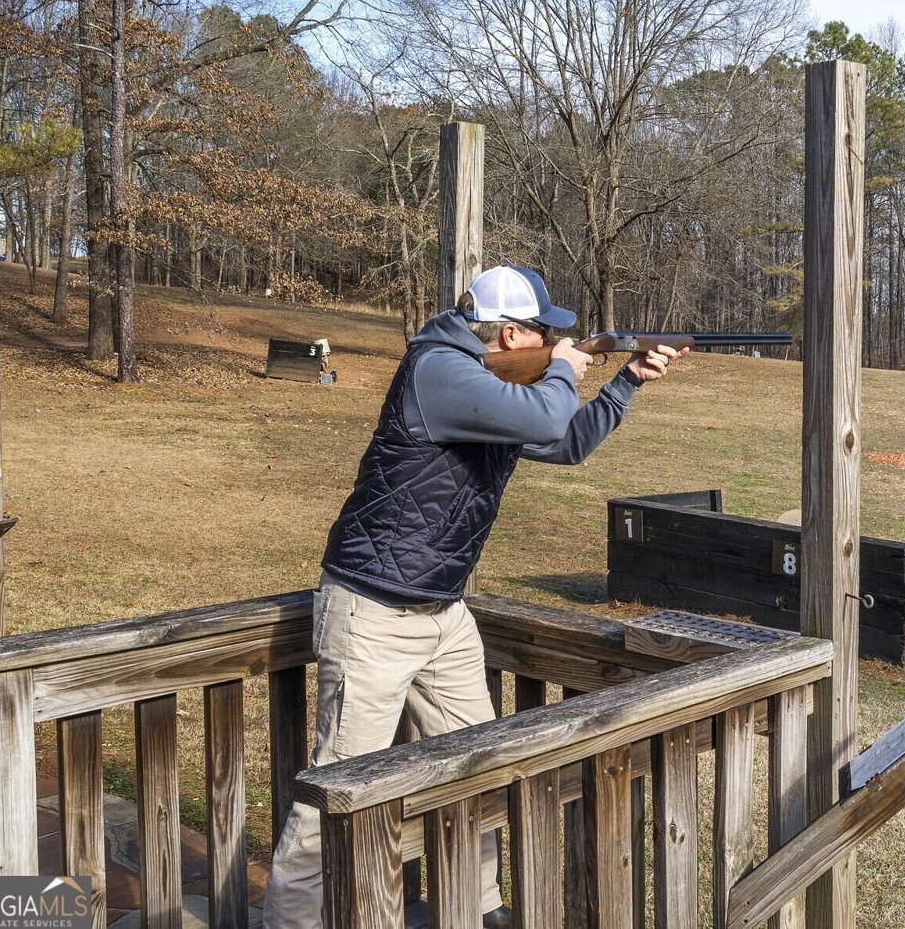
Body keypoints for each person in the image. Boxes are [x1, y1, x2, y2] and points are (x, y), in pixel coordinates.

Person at [263, 265, 683, 929]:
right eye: (547, 332)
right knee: (336, 795)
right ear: (512, 333)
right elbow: (549, 408)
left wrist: (626, 380)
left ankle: (476, 913)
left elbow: (564, 438)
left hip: (441, 611)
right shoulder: (440, 372)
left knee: (476, 776)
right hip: (373, 610)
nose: (557, 340)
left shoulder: (489, 381)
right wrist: (569, 366)